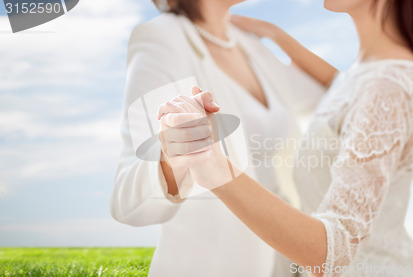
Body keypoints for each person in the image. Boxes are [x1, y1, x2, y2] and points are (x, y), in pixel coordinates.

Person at [158, 0, 413, 276]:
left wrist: (212, 163)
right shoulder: (367, 75)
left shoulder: (385, 87)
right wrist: (276, 35)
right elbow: (341, 86)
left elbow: (333, 252)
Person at [110, 0, 330, 276]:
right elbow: (126, 202)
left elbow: (339, 96)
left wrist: (278, 35)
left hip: (290, 259)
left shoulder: (248, 44)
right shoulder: (162, 38)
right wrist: (174, 157)